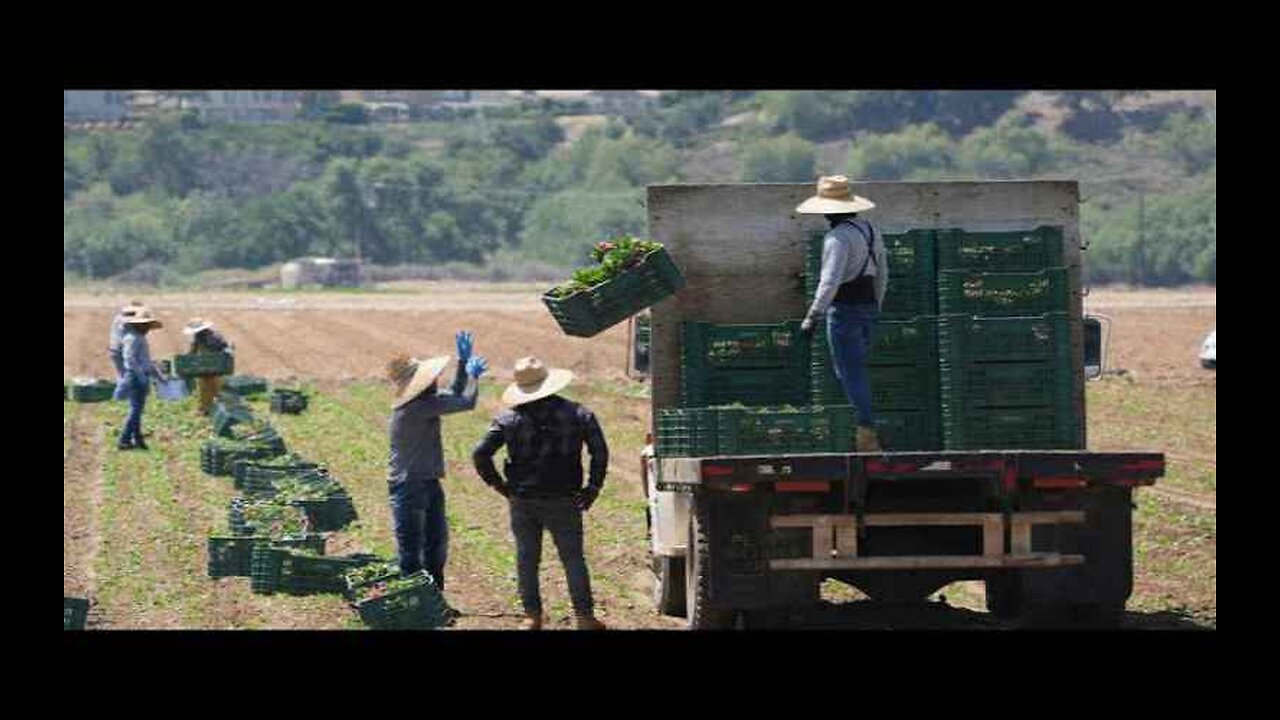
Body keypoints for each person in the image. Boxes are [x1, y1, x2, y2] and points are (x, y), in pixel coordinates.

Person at [472, 357, 609, 631]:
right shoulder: (579, 414)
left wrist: (500, 486)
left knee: (527, 558)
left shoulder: (508, 419)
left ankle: (532, 617)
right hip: (565, 498)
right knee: (573, 559)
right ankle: (584, 617)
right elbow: (600, 452)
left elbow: (480, 454)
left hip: (523, 499)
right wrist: (593, 487)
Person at [386, 330, 488, 603]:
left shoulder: (422, 402)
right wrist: (474, 376)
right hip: (409, 487)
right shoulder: (416, 408)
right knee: (412, 553)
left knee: (436, 547)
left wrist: (461, 365)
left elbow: (453, 393)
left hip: (426, 482)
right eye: (431, 378)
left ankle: (434, 602)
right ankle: (414, 607)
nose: (435, 380)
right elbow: (465, 401)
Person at [796, 175, 889, 452]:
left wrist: (813, 315)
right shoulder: (870, 230)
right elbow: (883, 272)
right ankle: (860, 430)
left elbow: (830, 280)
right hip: (868, 305)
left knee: (850, 373)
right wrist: (876, 305)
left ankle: (866, 435)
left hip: (845, 309)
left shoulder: (837, 237)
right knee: (856, 370)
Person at [118, 308, 165, 450]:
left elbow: (146, 361)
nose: (148, 328)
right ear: (138, 324)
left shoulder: (139, 337)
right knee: (135, 410)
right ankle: (124, 439)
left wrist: (159, 376)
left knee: (137, 410)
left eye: (148, 325)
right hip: (134, 377)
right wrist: (141, 376)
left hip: (140, 376)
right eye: (145, 325)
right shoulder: (132, 338)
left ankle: (138, 439)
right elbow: (129, 359)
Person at [182, 318, 231, 415]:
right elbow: (193, 351)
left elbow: (224, 349)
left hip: (216, 366)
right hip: (204, 367)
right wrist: (188, 360)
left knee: (218, 388)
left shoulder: (215, 337)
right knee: (204, 388)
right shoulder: (197, 338)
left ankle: (225, 410)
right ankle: (205, 409)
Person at [109, 300, 145, 401]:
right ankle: (118, 398)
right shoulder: (128, 320)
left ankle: (124, 398)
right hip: (121, 350)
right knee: (128, 376)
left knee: (123, 375)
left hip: (115, 349)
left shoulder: (119, 317)